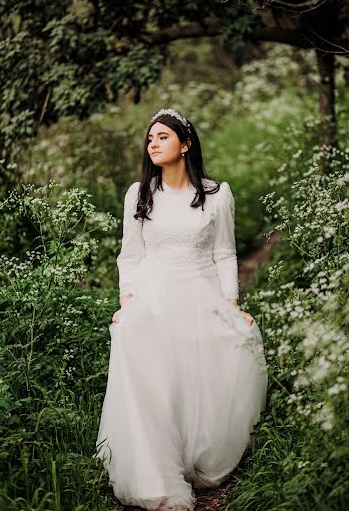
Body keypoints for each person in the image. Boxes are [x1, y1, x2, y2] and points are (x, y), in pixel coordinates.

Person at [95, 109, 268, 511]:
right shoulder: (138, 194)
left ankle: (197, 457)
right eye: (150, 138)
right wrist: (127, 304)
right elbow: (129, 257)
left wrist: (232, 305)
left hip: (201, 294)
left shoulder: (215, 194)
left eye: (162, 137)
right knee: (152, 377)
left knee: (200, 376)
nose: (153, 143)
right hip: (152, 298)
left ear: (185, 144)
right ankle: (157, 474)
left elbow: (225, 253)